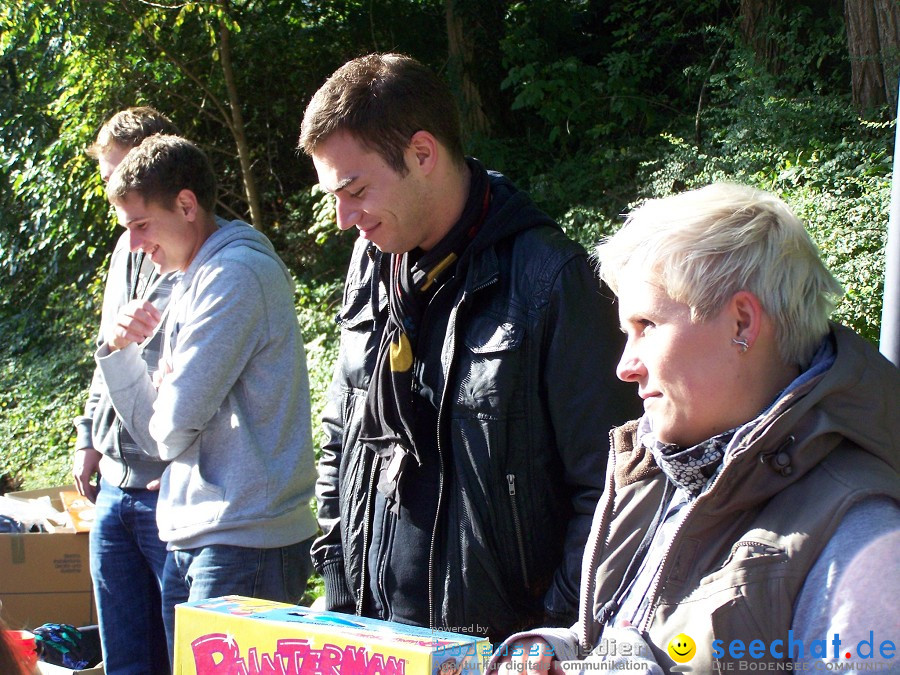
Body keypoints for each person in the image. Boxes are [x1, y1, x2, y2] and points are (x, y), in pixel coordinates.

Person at [490, 182, 900, 674]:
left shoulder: (866, 538)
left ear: (742, 324)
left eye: (647, 326)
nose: (624, 366)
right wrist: (550, 651)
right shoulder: (665, 472)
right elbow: (626, 639)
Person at [298, 53, 639, 643]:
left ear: (422, 154)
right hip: (367, 629)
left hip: (495, 648)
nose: (341, 217)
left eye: (353, 189)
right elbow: (340, 434)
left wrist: (547, 632)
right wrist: (336, 577)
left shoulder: (550, 282)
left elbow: (612, 490)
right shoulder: (370, 263)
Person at [96, 134, 317, 663]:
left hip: (246, 539)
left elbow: (170, 426)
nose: (134, 246)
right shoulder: (194, 275)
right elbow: (158, 425)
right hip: (201, 532)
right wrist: (121, 351)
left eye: (142, 225)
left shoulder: (234, 273)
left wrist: (173, 395)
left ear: (187, 205)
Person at [73, 106, 178, 675]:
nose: (111, 189)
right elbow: (108, 347)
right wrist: (89, 433)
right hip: (115, 484)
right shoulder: (124, 248)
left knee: (179, 655)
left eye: (118, 173)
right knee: (127, 661)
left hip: (169, 488)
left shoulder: (199, 252)